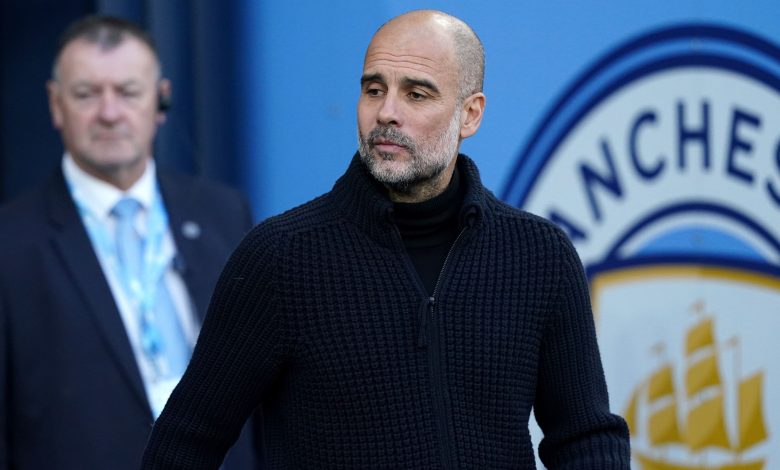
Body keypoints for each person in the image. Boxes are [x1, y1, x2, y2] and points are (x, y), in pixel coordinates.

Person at [142, 9, 630, 469]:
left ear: (470, 114)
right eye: (374, 90)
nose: (386, 113)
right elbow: (187, 441)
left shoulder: (539, 255)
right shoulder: (281, 258)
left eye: (416, 94)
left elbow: (585, 438)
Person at [0, 15, 259, 470]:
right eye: (86, 94)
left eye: (128, 92)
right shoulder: (10, 243)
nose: (109, 112)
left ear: (160, 100)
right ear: (56, 105)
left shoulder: (222, 212)